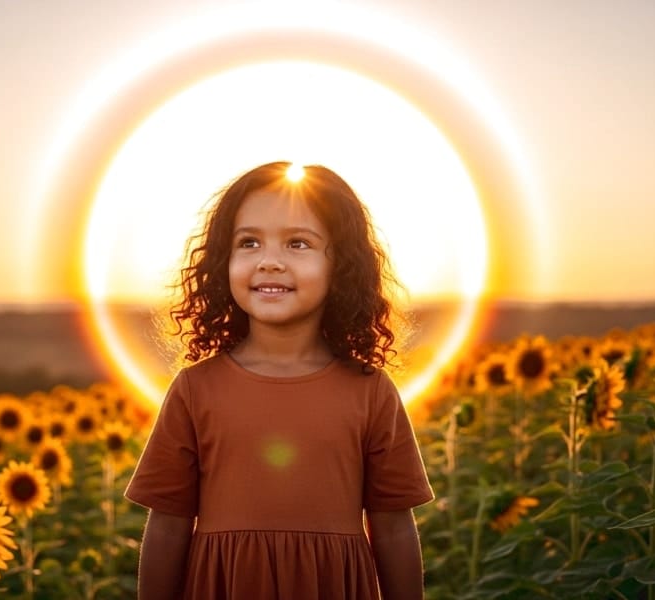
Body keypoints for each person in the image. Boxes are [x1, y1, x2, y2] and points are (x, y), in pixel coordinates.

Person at [124, 161, 434, 599]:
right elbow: (168, 526)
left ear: (340, 264)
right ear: (223, 260)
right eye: (248, 242)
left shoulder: (371, 391)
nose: (270, 261)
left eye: (297, 243)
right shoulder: (196, 389)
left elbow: (393, 527)